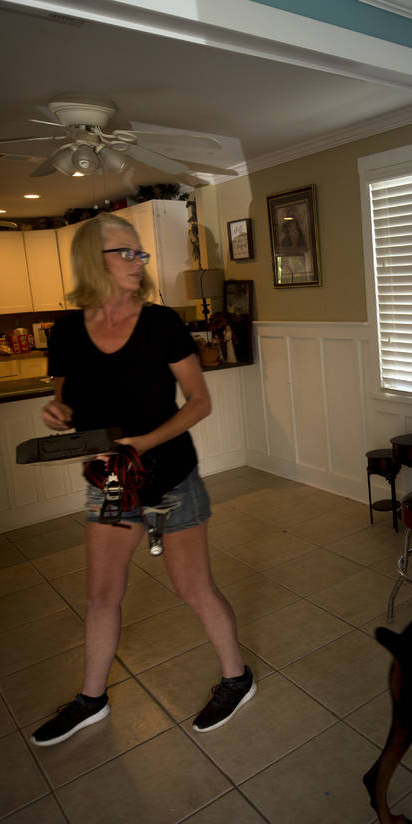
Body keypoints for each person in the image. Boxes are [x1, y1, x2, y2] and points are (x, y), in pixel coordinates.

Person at [30, 213, 254, 747]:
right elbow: (63, 399)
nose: (138, 261)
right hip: (110, 482)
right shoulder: (65, 332)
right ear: (94, 261)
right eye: (125, 252)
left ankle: (236, 678)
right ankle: (91, 699)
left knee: (192, 586)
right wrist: (56, 413)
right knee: (102, 593)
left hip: (171, 476)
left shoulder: (161, 324)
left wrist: (147, 442)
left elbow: (199, 403)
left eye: (139, 252)